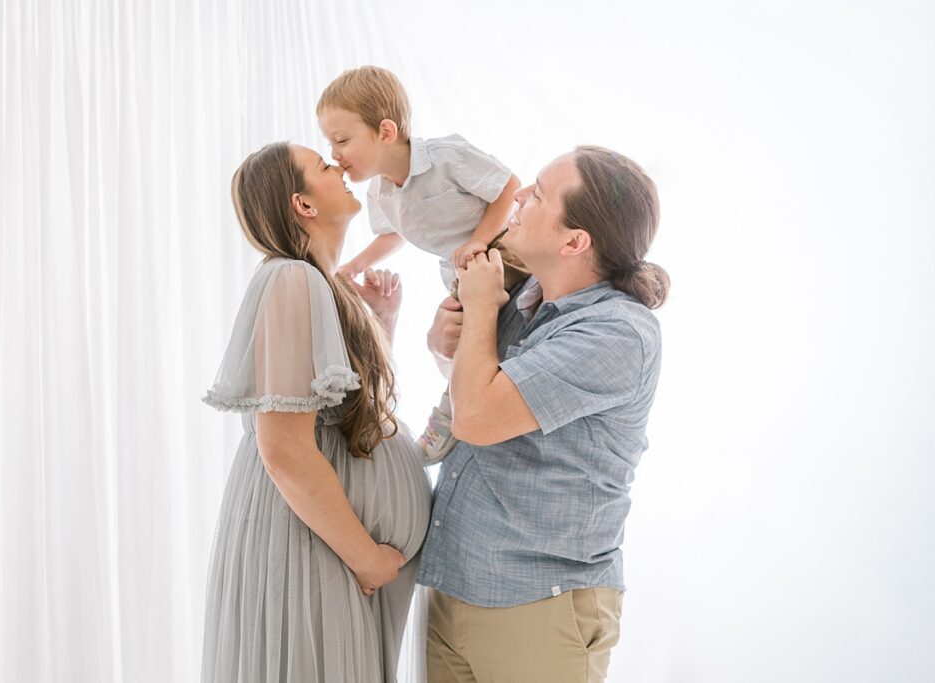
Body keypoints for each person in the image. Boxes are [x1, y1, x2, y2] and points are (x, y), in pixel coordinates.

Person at [418, 146, 670, 683]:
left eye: (538, 192)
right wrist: (444, 346)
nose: (519, 196)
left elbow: (478, 419)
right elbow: (484, 394)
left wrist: (482, 305)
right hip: (458, 580)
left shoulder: (618, 332)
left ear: (574, 241)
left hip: (538, 602)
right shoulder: (527, 295)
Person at [200, 142, 432, 683]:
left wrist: (378, 324)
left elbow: (347, 413)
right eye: (326, 167)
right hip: (314, 547)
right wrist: (365, 557)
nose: (342, 168)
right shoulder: (291, 278)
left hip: (326, 546)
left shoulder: (317, 283)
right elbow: (283, 449)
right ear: (303, 204)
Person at [316, 65, 527, 461]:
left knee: (471, 342)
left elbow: (508, 188)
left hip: (505, 253)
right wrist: (353, 265)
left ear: (385, 132)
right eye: (329, 144)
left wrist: (479, 241)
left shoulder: (446, 158)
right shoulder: (381, 191)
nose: (335, 155)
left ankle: (448, 420)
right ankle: (459, 412)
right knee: (464, 343)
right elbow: (393, 234)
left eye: (342, 140)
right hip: (461, 275)